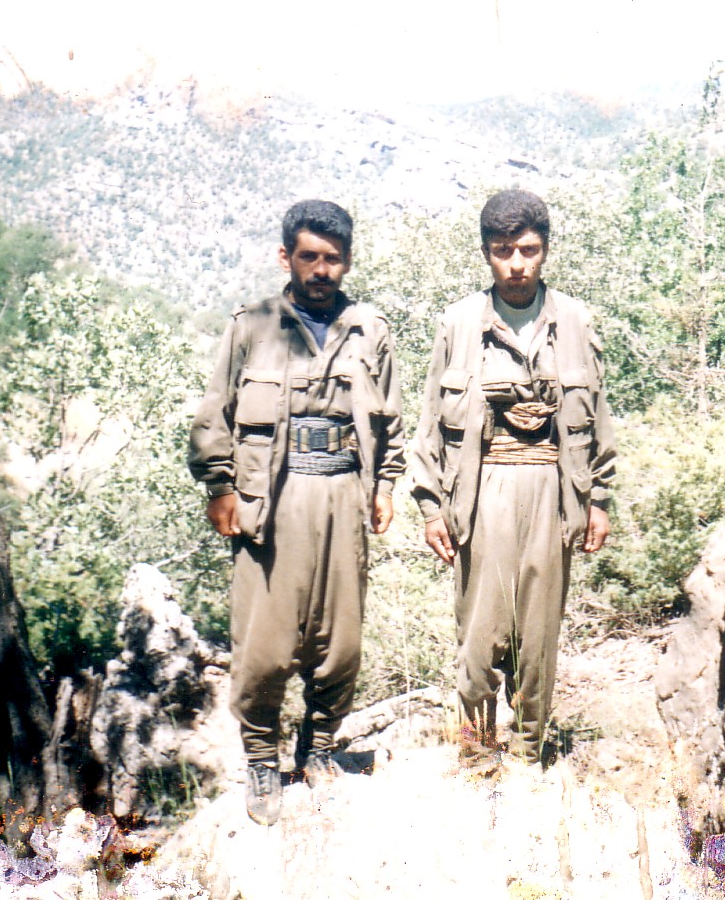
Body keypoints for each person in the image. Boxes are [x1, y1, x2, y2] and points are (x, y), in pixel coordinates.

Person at [188, 199, 404, 825]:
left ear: (348, 261)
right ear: (287, 257)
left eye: (332, 259)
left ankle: (321, 748)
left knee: (340, 639)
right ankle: (262, 757)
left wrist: (385, 485)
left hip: (343, 492)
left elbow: (388, 420)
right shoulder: (252, 326)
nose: (321, 270)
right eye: (309, 256)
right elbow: (215, 412)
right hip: (270, 499)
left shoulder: (369, 331)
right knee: (264, 643)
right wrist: (220, 486)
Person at [410, 188, 616, 770]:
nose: (517, 264)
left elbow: (599, 419)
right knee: (480, 635)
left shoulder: (574, 321)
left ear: (545, 249)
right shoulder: (458, 324)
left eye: (528, 250)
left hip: (553, 491)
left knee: (538, 636)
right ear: (486, 253)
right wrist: (431, 508)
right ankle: (477, 753)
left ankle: (528, 754)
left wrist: (598, 500)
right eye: (504, 251)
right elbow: (431, 423)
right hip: (480, 495)